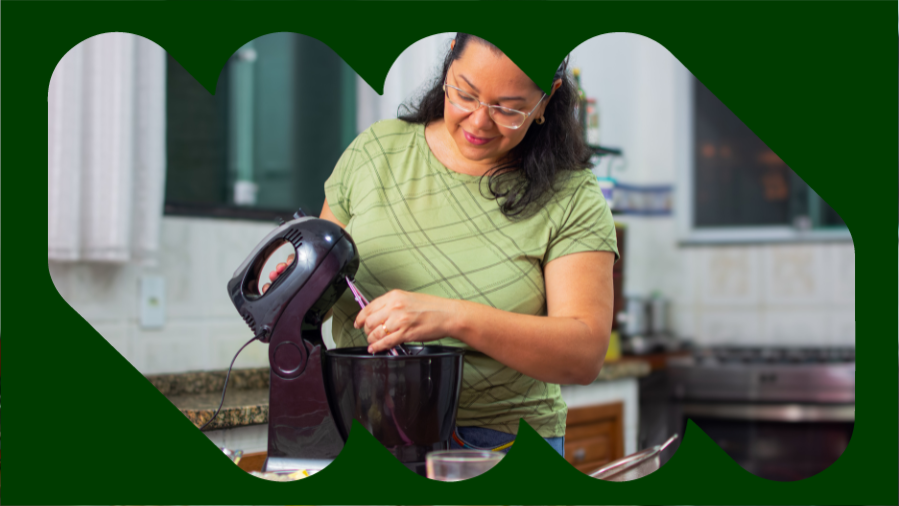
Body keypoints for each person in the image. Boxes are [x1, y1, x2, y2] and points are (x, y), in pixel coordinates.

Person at [265, 33, 618, 457]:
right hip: (363, 428)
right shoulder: (376, 151)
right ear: (449, 60)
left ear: (546, 101)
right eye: (465, 94)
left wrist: (451, 317)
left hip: (498, 442)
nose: (478, 122)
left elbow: (583, 355)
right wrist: (300, 287)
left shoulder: (571, 194)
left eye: (508, 109)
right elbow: (324, 278)